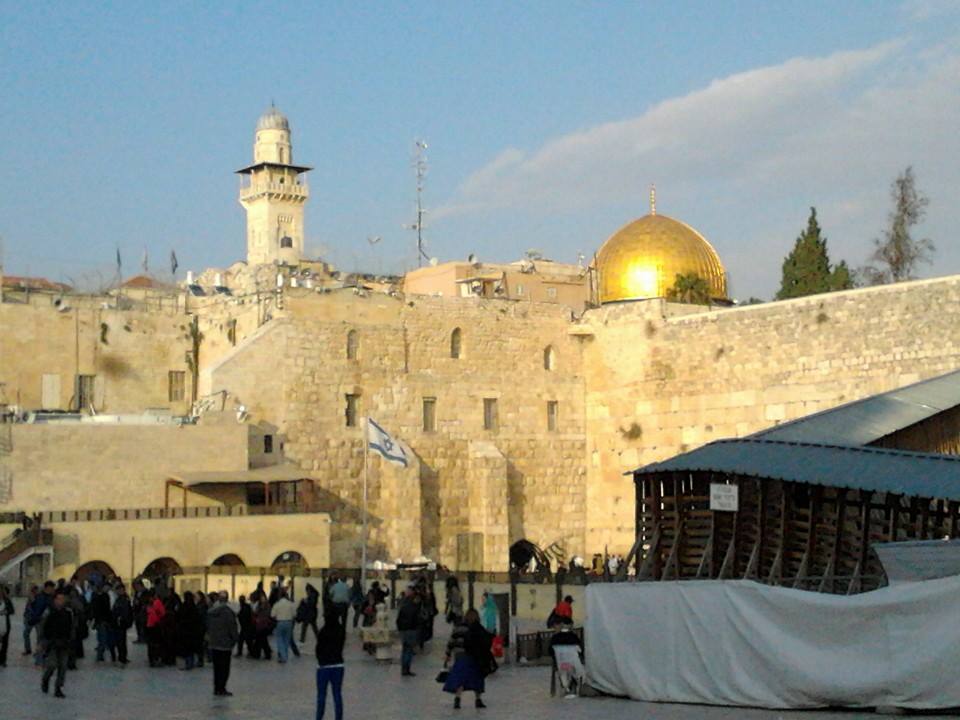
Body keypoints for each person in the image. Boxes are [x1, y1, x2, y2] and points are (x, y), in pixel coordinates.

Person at [442, 608, 494, 709]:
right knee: (477, 678)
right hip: (474, 657)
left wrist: (447, 654)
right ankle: (478, 699)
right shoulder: (477, 628)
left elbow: (451, 642)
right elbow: (485, 641)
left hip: (460, 656)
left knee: (460, 678)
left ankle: (457, 699)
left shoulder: (458, 628)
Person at [40, 590, 73, 698]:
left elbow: (71, 628)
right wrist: (43, 642)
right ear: (54, 600)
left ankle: (58, 688)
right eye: (58, 599)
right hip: (52, 643)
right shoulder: (49, 612)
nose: (61, 601)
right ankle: (46, 678)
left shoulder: (68, 613)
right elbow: (43, 628)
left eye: (62, 599)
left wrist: (71, 640)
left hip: (64, 643)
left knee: (63, 667)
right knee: (52, 665)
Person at [315, 609, 347, 720]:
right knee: (337, 694)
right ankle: (339, 717)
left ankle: (319, 717)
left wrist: (320, 659)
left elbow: (318, 649)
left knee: (321, 695)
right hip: (338, 664)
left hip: (324, 666)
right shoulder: (341, 630)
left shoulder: (323, 631)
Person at [206, 591, 239, 697]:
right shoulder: (228, 613)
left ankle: (217, 688)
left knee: (216, 668)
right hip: (225, 645)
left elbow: (208, 626)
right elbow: (232, 628)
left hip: (214, 643)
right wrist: (234, 640)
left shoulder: (211, 612)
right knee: (224, 668)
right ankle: (222, 688)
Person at [549, 619, 585, 698]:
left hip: (561, 664)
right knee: (576, 668)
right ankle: (573, 685)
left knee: (564, 670)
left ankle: (565, 686)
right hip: (573, 665)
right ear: (570, 626)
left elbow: (550, 652)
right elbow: (581, 650)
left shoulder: (555, 638)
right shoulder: (574, 637)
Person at [396, 588, 421, 677]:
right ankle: (407, 669)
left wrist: (400, 629)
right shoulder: (415, 608)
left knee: (405, 649)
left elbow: (398, 620)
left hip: (404, 630)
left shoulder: (403, 606)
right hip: (412, 630)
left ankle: (404, 668)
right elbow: (418, 620)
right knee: (409, 650)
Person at [176, 591, 204, 670]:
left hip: (184, 630)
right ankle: (190, 663)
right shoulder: (194, 607)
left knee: (185, 648)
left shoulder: (182, 607)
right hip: (192, 631)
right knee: (191, 648)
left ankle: (185, 664)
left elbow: (178, 617)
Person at [91, 583, 116, 662]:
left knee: (102, 638)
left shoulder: (99, 596)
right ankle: (100, 656)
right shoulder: (103, 597)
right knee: (103, 639)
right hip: (103, 621)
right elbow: (105, 610)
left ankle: (100, 655)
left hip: (101, 620)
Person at [271, 586, 296, 663]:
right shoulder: (291, 604)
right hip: (289, 623)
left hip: (280, 623)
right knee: (286, 640)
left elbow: (272, 615)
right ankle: (285, 655)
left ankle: (283, 656)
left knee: (280, 639)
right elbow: (294, 614)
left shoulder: (277, 604)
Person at [112, 584, 133, 664]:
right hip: (120, 622)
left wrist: (120, 618)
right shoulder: (121, 599)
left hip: (121, 622)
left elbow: (124, 611)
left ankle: (122, 657)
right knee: (121, 640)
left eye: (120, 590)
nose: (119, 591)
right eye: (118, 590)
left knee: (121, 640)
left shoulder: (123, 599)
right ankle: (122, 656)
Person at [145, 591, 166, 667]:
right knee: (157, 643)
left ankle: (152, 659)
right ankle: (156, 658)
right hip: (156, 625)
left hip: (150, 625)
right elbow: (163, 613)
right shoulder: (157, 602)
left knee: (151, 644)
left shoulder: (148, 604)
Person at [252, 593, 274, 660]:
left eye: (263, 598)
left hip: (264, 624)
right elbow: (255, 612)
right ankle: (264, 654)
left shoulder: (267, 606)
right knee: (262, 640)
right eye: (261, 598)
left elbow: (268, 614)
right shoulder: (259, 605)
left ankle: (259, 654)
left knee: (261, 640)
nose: (262, 600)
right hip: (259, 624)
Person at [21, 585, 38, 656]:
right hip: (28, 617)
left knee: (39, 635)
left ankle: (38, 651)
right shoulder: (31, 597)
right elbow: (28, 607)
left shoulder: (37, 597)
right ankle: (28, 649)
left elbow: (34, 605)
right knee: (26, 634)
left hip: (34, 617)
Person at [0, 584, 14, 667]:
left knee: (5, 644)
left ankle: (3, 660)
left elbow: (12, 610)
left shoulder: (7, 600)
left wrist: (6, 612)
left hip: (5, 625)